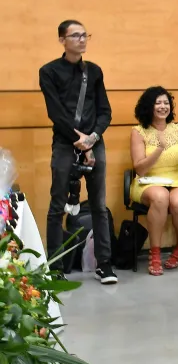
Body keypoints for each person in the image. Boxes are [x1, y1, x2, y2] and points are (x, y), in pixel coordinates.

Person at [38, 19, 116, 284]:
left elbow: (105, 111)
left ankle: (104, 265)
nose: (82, 40)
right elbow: (55, 112)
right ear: (62, 40)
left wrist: (91, 139)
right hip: (64, 143)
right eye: (75, 36)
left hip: (94, 142)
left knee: (98, 205)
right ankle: (55, 267)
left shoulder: (94, 72)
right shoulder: (48, 71)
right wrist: (77, 139)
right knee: (57, 205)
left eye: (85, 35)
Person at [129, 87, 178, 276]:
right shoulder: (139, 132)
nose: (163, 106)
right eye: (158, 103)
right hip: (147, 180)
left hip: (177, 178)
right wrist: (158, 149)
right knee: (160, 197)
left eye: (166, 103)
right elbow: (140, 168)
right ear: (149, 106)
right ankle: (155, 253)